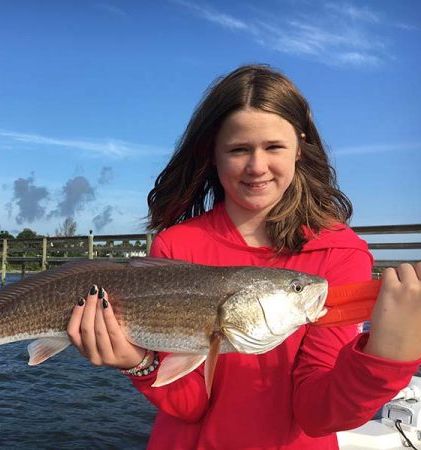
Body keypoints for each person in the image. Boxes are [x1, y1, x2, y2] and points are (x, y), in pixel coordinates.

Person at [66, 64, 421, 449]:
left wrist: (387, 357)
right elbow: (189, 405)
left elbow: (320, 415)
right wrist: (139, 362)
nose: (256, 167)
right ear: (213, 154)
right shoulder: (175, 245)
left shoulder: (340, 252)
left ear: (300, 148)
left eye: (274, 147)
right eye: (238, 149)